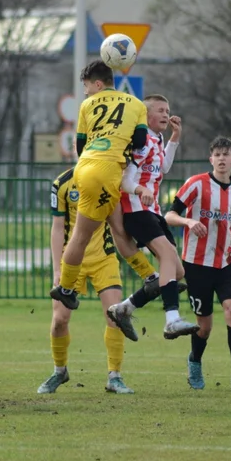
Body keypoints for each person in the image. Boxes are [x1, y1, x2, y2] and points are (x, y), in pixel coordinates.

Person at [50, 61, 160, 313]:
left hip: (89, 168)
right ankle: (68, 287)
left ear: (98, 84)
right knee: (99, 232)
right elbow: (141, 142)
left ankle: (148, 276)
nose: (86, 91)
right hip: (110, 171)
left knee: (104, 230)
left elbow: (79, 146)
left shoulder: (87, 105)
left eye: (87, 86)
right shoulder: (136, 105)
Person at [164, 137, 231, 393]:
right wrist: (189, 222)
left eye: (226, 154)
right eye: (217, 154)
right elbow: (169, 215)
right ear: (210, 159)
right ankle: (194, 361)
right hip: (196, 264)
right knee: (204, 327)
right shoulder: (196, 184)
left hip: (226, 262)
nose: (222, 158)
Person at [38, 164, 136, 395]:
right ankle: (59, 371)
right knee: (59, 320)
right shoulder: (62, 183)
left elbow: (118, 225)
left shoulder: (108, 178)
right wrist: (56, 269)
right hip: (72, 261)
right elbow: (57, 227)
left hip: (104, 257)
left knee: (115, 315)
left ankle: (115, 376)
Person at [107, 94, 198, 341]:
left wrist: (175, 138)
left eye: (168, 110)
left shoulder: (157, 139)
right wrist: (140, 189)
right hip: (136, 210)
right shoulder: (142, 140)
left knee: (176, 271)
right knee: (168, 256)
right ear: (146, 115)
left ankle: (124, 308)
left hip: (153, 211)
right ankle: (172, 320)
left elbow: (164, 167)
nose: (166, 114)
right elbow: (125, 180)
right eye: (160, 110)